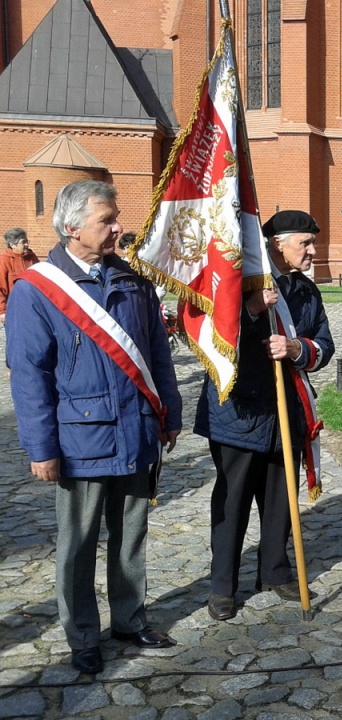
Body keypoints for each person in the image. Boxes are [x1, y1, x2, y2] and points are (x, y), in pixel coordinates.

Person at [6, 181, 182, 674]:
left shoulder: (134, 282)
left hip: (138, 430)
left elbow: (157, 356)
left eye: (116, 217)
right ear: (71, 227)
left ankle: (129, 619)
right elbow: (30, 378)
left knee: (131, 536)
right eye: (107, 220)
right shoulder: (37, 291)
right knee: (78, 546)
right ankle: (83, 635)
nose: (119, 227)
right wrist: (41, 449)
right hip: (81, 440)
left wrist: (168, 413)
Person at [194, 210, 334, 621]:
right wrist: (253, 308)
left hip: (285, 412)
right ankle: (223, 586)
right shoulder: (237, 282)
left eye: (312, 243)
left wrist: (297, 350)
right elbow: (213, 335)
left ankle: (274, 571)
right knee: (232, 503)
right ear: (277, 245)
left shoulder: (307, 292)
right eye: (305, 244)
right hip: (239, 412)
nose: (312, 251)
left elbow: (322, 341)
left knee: (280, 501)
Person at [0, 227, 39, 323]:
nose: (26, 245)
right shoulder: (4, 260)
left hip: (33, 308)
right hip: (14, 310)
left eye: (27, 241)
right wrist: (2, 311)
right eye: (23, 242)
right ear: (12, 245)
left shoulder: (31, 257)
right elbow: (1, 288)